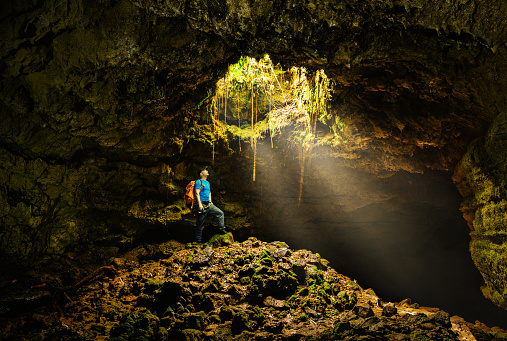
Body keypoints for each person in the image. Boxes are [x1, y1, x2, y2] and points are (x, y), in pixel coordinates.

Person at [194, 165, 227, 243]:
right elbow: (196, 193)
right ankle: (197, 241)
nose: (206, 170)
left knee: (220, 213)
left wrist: (210, 200)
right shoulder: (198, 182)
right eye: (204, 170)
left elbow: (209, 192)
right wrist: (200, 204)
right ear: (201, 174)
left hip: (209, 204)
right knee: (200, 224)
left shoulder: (208, 183)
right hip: (202, 204)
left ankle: (221, 229)